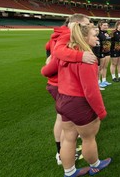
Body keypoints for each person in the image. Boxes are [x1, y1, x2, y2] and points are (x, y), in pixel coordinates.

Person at [42, 23, 112, 177]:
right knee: (88, 138)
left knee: (68, 138)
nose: (97, 37)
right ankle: (95, 165)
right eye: (94, 35)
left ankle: (70, 172)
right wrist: (101, 111)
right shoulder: (88, 58)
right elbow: (91, 91)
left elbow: (46, 71)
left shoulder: (64, 52)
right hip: (79, 103)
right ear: (84, 37)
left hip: (63, 100)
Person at [45, 14, 95, 165]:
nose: (88, 26)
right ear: (77, 24)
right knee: (62, 119)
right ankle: (61, 154)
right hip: (61, 84)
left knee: (64, 119)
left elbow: (48, 53)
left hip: (58, 83)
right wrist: (80, 56)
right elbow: (55, 57)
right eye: (86, 24)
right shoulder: (67, 35)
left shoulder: (58, 35)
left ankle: (62, 151)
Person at [97, 21, 112, 88]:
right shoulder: (98, 33)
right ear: (100, 26)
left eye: (106, 25)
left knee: (105, 67)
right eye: (104, 25)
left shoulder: (107, 33)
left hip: (107, 52)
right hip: (101, 52)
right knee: (100, 68)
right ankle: (98, 82)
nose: (106, 26)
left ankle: (104, 80)